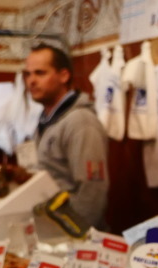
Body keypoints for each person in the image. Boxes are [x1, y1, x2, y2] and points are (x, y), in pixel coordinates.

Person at [24, 43, 109, 231]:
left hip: (76, 237)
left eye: (40, 73)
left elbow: (92, 190)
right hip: (51, 231)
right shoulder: (47, 119)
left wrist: (74, 236)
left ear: (64, 75)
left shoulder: (81, 122)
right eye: (28, 74)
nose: (31, 81)